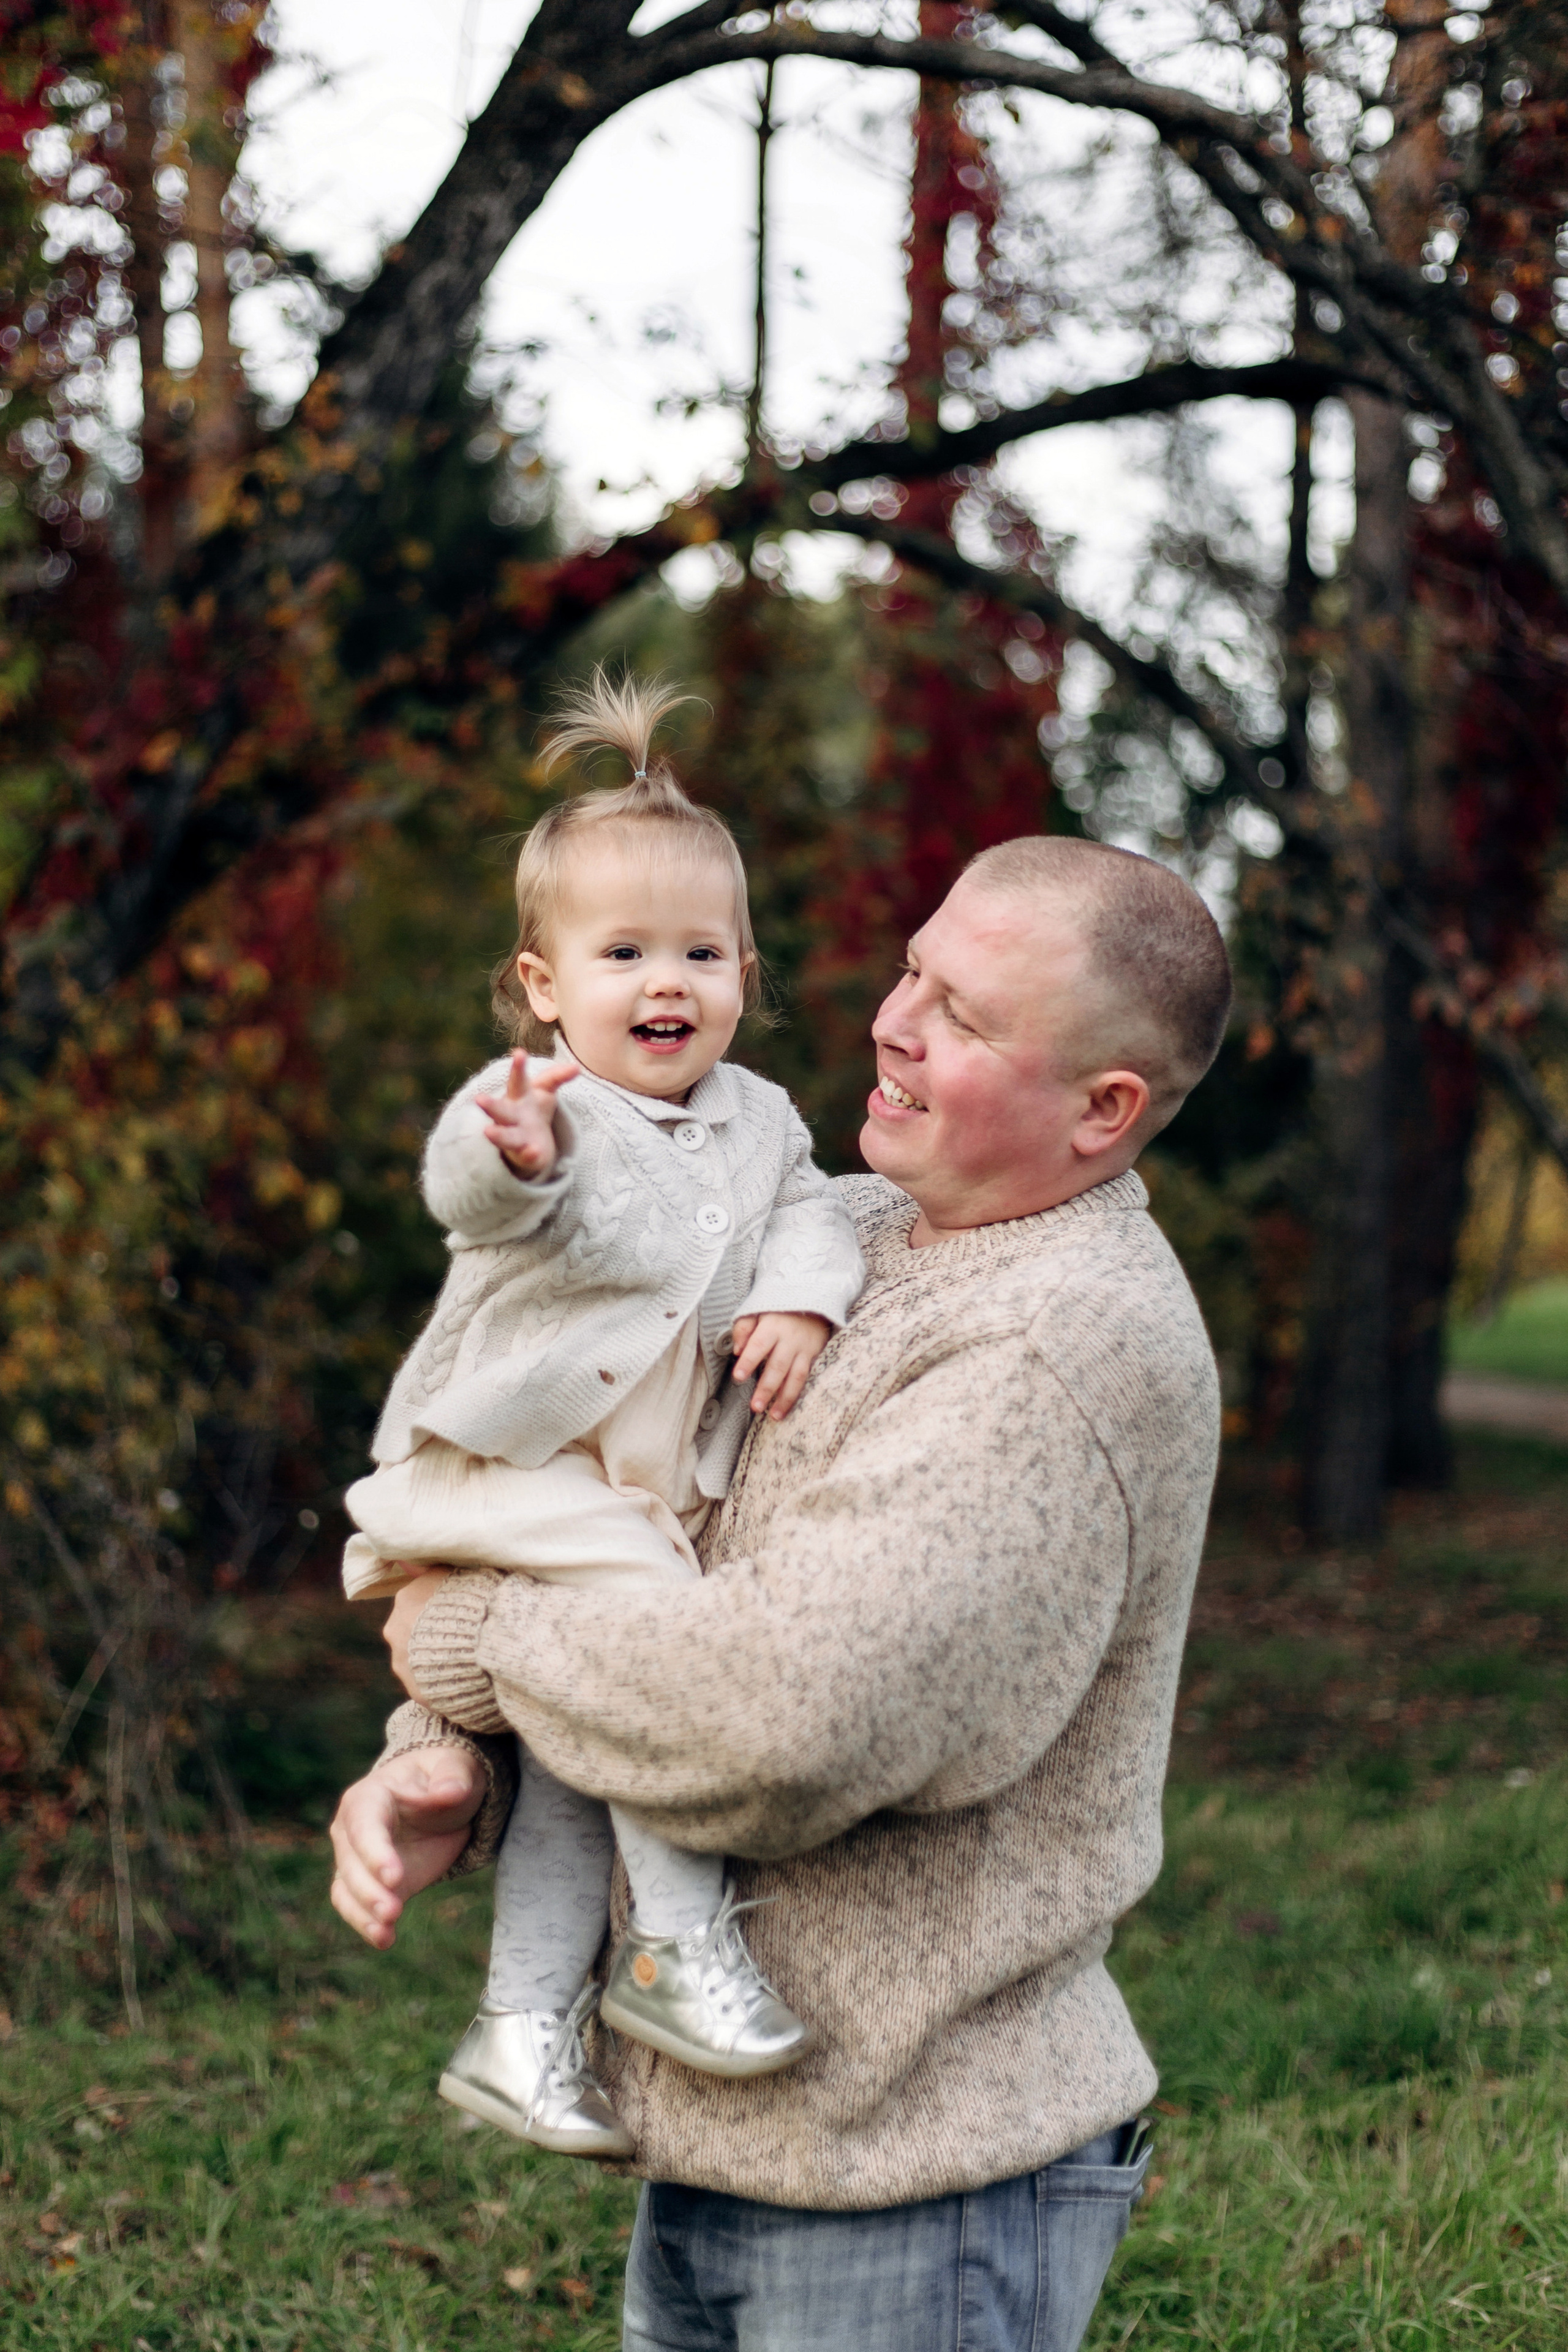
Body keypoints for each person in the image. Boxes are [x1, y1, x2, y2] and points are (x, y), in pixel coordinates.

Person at [330, 828, 1233, 2352]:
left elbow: (777, 1717)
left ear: (1104, 1108)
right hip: (733, 2149)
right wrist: (446, 1755)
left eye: (962, 1016)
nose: (892, 1024)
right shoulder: (845, 1225)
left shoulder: (1052, 1347)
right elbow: (621, 1514)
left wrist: (467, 1639)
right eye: (911, 974)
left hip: (916, 2177)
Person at [339, 670, 864, 2158]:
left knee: (582, 1758)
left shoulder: (761, 1121)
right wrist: (507, 1152)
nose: (663, 983)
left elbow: (816, 1214)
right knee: (657, 1654)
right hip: (506, 1478)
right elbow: (480, 1190)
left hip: (620, 1505)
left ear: (745, 973)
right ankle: (676, 1947)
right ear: (541, 984)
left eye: (698, 951)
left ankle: (518, 2031)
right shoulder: (546, 1109)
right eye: (621, 952)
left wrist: (802, 1297)